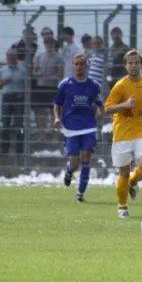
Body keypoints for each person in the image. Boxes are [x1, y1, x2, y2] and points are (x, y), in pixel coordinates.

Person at [104, 49, 142, 218]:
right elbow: (108, 108)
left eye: (136, 62)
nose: (134, 65)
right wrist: (124, 105)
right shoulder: (120, 86)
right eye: (130, 62)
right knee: (124, 172)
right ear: (126, 66)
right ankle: (122, 207)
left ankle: (133, 182)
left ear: (141, 64)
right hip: (122, 134)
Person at [53, 54, 103, 203]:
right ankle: (69, 171)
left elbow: (99, 102)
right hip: (71, 128)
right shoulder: (65, 84)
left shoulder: (93, 85)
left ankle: (80, 194)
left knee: (86, 157)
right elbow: (57, 104)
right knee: (75, 163)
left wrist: (101, 110)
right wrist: (57, 118)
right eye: (76, 64)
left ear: (86, 66)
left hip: (88, 127)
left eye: (82, 64)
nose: (79, 67)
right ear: (73, 66)